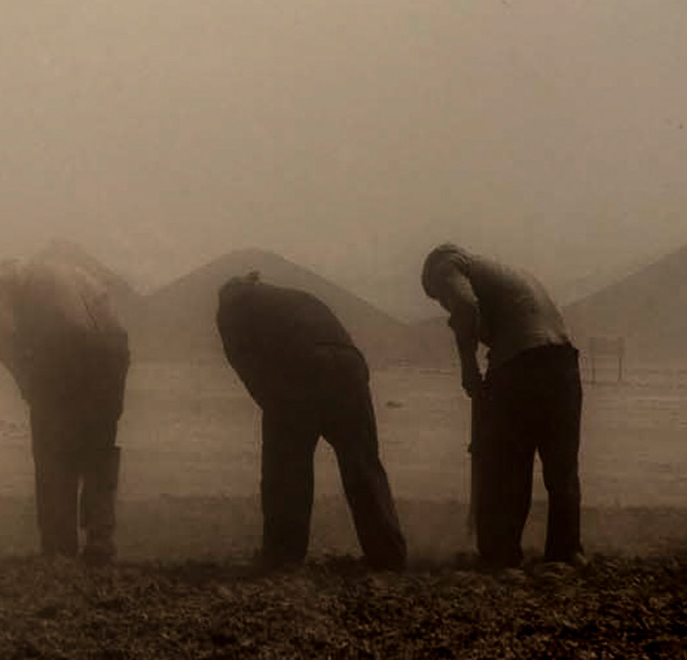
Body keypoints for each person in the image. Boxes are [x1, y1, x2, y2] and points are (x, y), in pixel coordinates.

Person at [216, 272, 406, 570]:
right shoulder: (292, 296)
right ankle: (388, 556)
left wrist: (276, 411)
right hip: (350, 366)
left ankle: (283, 554)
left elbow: (245, 365)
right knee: (362, 463)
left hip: (301, 362)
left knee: (286, 466)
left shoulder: (231, 306)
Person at [421, 243, 584, 569]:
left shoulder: (449, 265)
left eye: (439, 298)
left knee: (506, 465)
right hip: (563, 363)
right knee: (561, 469)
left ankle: (500, 554)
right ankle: (566, 552)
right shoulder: (507, 274)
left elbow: (465, 306)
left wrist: (469, 367)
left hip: (521, 366)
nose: (443, 305)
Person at [0, 257, 130, 564]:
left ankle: (59, 544)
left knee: (52, 449)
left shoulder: (10, 282)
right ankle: (100, 538)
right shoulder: (79, 275)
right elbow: (112, 320)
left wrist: (28, 383)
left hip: (64, 350)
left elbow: (0, 334)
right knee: (100, 450)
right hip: (113, 353)